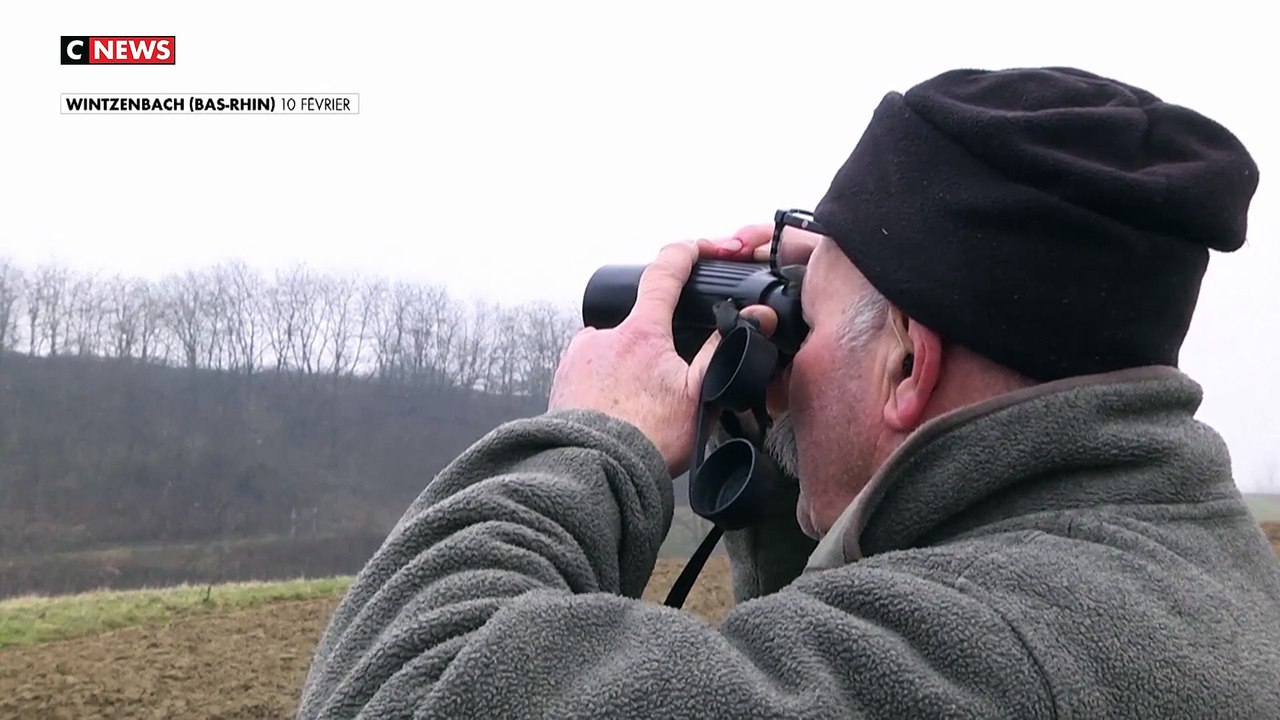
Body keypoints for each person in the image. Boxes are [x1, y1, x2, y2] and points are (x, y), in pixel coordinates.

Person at [297, 67, 1280, 719]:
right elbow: (819, 647)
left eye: (810, 305)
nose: (787, 342)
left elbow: (401, 691)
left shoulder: (988, 656)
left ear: (905, 365)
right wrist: (789, 456)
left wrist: (595, 435)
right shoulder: (1183, 575)